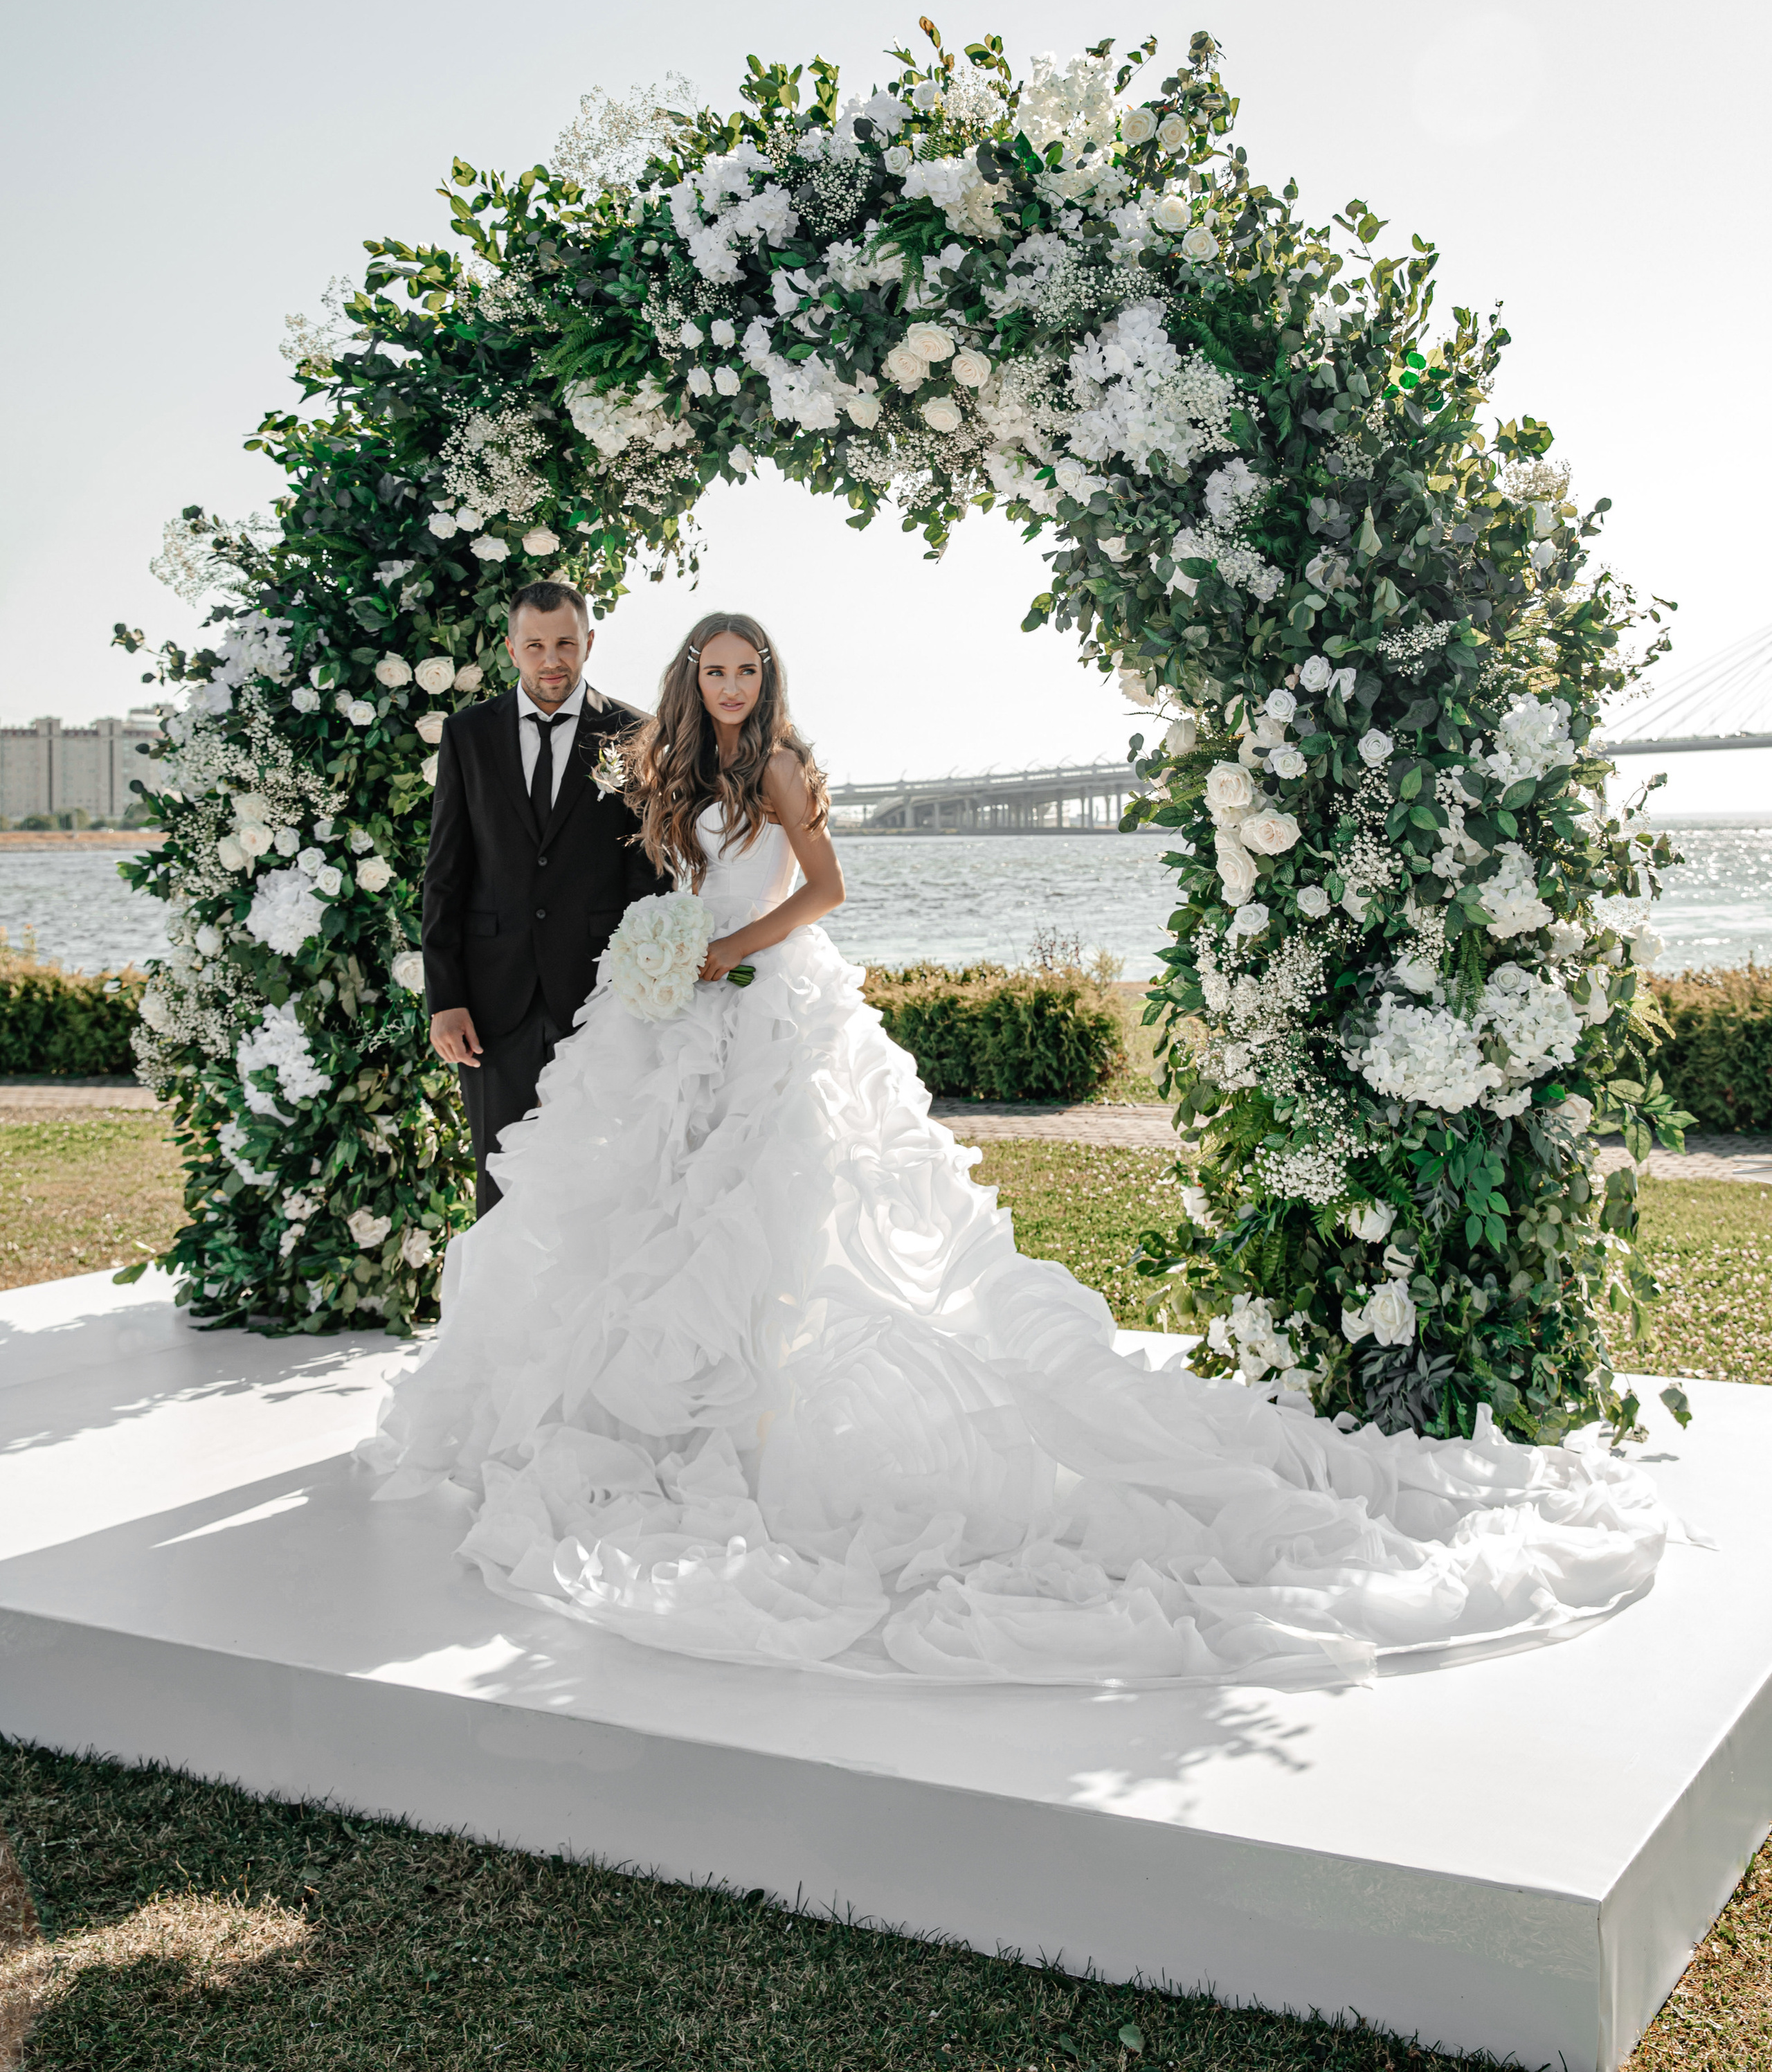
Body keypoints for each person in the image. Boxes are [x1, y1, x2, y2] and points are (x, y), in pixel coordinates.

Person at [366, 610, 1671, 1688]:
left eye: (748, 668)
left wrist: (721, 952)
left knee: (779, 1218)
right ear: (686, 677)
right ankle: (667, 1417)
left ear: (767, 678)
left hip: (762, 1006)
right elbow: (621, 878)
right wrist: (662, 961)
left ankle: (776, 1423)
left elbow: (823, 891)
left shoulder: (777, 767)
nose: (729, 685)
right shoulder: (662, 765)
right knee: (663, 1218)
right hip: (674, 1022)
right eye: (713, 668)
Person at [422, 579, 667, 1216]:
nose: (552, 659)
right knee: (500, 1179)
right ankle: (500, 1320)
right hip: (491, 1005)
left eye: (565, 643)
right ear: (512, 648)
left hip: (597, 999)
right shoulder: (469, 735)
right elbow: (446, 874)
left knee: (599, 1178)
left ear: (589, 641)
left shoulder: (636, 734)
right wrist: (444, 998)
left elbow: (648, 876)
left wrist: (636, 992)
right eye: (536, 645)